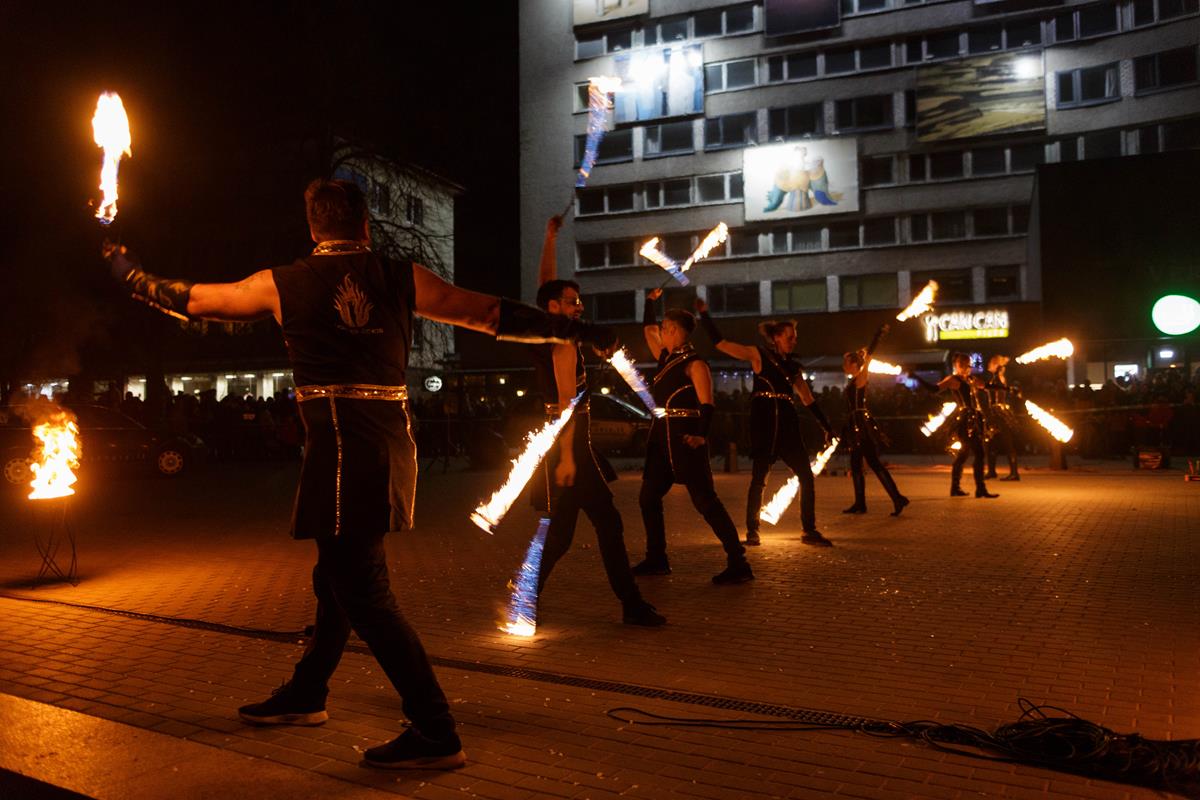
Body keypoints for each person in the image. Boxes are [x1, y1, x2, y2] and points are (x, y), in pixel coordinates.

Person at [104, 179, 616, 771]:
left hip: (341, 452)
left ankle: (435, 728)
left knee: (363, 590)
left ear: (312, 227)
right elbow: (487, 314)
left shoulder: (281, 282)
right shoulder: (402, 276)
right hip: (389, 446)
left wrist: (127, 273)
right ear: (366, 225)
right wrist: (576, 331)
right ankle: (307, 692)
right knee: (336, 577)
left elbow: (195, 300)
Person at [529, 215, 665, 628]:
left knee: (562, 536)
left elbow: (546, 284)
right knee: (606, 523)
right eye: (572, 302)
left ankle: (524, 595)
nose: (579, 306)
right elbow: (567, 404)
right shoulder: (564, 345)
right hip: (570, 446)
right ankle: (631, 604)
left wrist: (549, 238)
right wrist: (570, 458)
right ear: (555, 308)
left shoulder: (547, 330)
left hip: (567, 446)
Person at [631, 291, 752, 584]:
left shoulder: (696, 363)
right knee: (648, 498)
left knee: (705, 502)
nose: (660, 333)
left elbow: (707, 403)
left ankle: (739, 562)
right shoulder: (666, 358)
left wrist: (701, 436)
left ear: (673, 330)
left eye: (664, 328)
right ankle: (657, 558)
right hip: (661, 439)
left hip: (685, 438)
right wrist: (649, 302)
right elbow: (648, 331)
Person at [695, 304, 835, 547]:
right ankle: (752, 530)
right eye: (789, 337)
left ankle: (809, 530)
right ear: (776, 337)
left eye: (795, 338)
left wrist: (827, 427)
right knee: (759, 480)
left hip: (789, 427)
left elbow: (807, 399)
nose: (794, 341)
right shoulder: (758, 355)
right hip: (765, 426)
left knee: (806, 477)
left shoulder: (793, 367)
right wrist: (705, 315)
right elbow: (722, 344)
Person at [841, 325, 909, 516]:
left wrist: (878, 334)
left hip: (861, 426)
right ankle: (861, 503)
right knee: (857, 464)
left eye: (846, 362)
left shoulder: (861, 377)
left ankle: (896, 498)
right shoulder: (854, 380)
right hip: (856, 425)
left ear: (854, 364)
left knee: (872, 463)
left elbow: (869, 355)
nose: (843, 365)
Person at [939, 353, 998, 499]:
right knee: (979, 453)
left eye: (967, 364)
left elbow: (987, 386)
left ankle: (956, 488)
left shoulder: (971, 379)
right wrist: (916, 378)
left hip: (974, 419)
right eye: (962, 364)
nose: (966, 367)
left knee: (963, 455)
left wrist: (1008, 389)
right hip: (965, 421)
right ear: (957, 365)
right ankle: (980, 489)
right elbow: (935, 388)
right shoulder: (953, 380)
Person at [983, 355, 1020, 481]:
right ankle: (991, 471)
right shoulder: (996, 377)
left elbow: (995, 388)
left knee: (1007, 442)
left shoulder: (998, 378)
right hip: (995, 413)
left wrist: (998, 370)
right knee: (991, 442)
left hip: (999, 413)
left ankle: (1014, 473)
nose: (989, 365)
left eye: (991, 363)